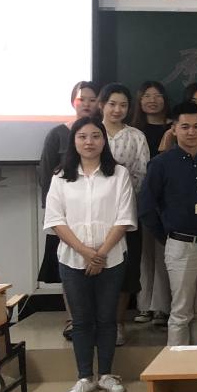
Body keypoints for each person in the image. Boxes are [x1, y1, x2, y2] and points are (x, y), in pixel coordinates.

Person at [43, 116, 136, 392]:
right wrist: (86, 253)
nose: (89, 142)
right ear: (74, 141)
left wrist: (101, 253)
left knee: (107, 319)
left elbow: (124, 218)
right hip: (72, 259)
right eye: (82, 136)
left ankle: (106, 374)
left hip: (112, 257)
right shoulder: (61, 176)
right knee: (82, 321)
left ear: (104, 140)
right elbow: (56, 220)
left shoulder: (118, 174)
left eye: (95, 136)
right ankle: (84, 377)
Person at [140, 102, 197, 346]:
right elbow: (146, 208)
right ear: (174, 129)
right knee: (181, 312)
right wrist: (168, 236)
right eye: (185, 126)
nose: (191, 132)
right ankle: (176, 365)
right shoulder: (161, 163)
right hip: (180, 245)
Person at [38, 80, 98, 341]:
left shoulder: (100, 134)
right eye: (82, 98)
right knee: (69, 269)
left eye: (92, 99)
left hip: (97, 217)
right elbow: (45, 175)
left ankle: (97, 320)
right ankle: (74, 319)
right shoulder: (57, 134)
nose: (87, 104)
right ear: (73, 101)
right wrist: (53, 216)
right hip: (65, 218)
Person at [96, 83, 150, 347]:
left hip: (128, 212)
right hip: (94, 212)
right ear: (102, 105)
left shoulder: (136, 136)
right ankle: (95, 323)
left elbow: (142, 173)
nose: (117, 110)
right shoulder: (91, 132)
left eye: (123, 105)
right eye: (112, 104)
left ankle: (117, 323)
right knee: (96, 265)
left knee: (126, 270)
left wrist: (126, 199)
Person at [131, 80, 171, 326]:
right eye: (147, 95)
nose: (152, 100)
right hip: (141, 197)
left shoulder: (174, 128)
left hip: (168, 197)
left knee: (164, 252)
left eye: (157, 95)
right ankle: (144, 304)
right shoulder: (134, 130)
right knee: (144, 253)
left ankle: (161, 306)